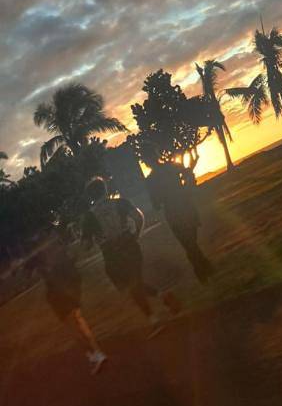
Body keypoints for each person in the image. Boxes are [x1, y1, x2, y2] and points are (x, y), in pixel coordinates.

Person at [81, 176, 180, 336]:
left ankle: (154, 320)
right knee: (136, 283)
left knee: (131, 287)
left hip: (112, 255)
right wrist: (136, 234)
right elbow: (138, 216)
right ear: (105, 189)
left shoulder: (89, 217)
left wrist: (90, 240)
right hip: (130, 245)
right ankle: (161, 298)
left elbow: (86, 245)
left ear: (90, 196)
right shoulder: (121, 202)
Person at [24, 224, 107, 374]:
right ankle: (95, 353)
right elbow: (71, 256)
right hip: (71, 281)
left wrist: (36, 269)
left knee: (72, 325)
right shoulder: (54, 239)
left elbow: (29, 275)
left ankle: (94, 355)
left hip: (57, 289)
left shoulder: (35, 250)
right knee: (77, 319)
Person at [143, 147, 214, 284]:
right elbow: (188, 174)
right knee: (191, 242)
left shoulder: (150, 180)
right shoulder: (171, 167)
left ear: (146, 162)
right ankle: (203, 268)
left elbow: (156, 204)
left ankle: (202, 269)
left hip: (172, 212)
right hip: (185, 205)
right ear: (157, 155)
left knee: (188, 244)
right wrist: (186, 187)